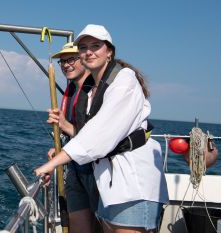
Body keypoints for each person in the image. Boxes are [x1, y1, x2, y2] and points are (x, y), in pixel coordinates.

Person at [36, 24, 169, 233]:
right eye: (83, 47)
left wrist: (52, 164)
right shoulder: (90, 91)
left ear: (109, 51)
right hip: (110, 183)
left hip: (133, 184)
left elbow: (99, 133)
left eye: (95, 46)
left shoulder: (125, 80)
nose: (88, 52)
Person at [47, 42, 102, 233]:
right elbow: (74, 133)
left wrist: (64, 125)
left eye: (71, 59)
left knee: (100, 225)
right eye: (62, 61)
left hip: (97, 172)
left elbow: (98, 139)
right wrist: (60, 149)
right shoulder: (72, 91)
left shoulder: (97, 91)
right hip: (76, 169)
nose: (66, 65)